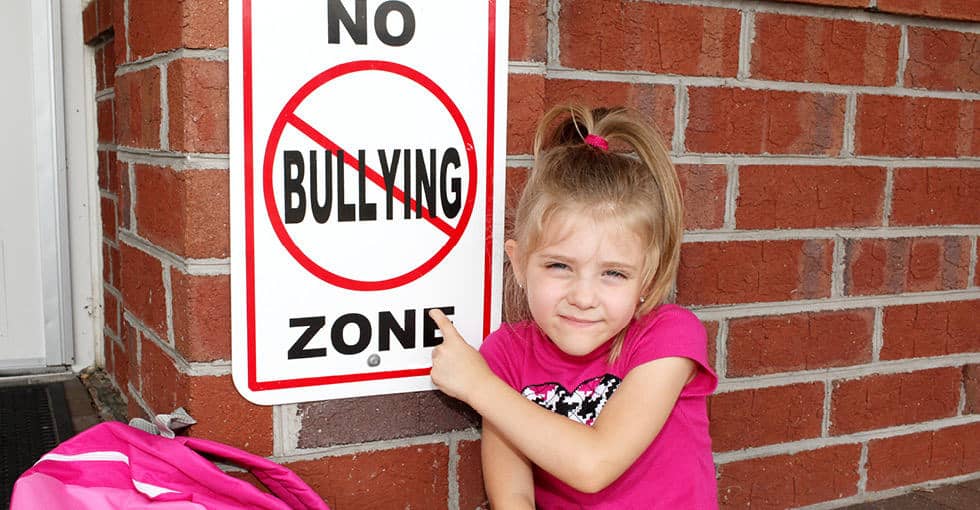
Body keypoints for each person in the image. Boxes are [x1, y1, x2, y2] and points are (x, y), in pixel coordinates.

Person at [428, 105, 718, 508]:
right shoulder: (505, 355)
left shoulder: (669, 338)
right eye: (559, 266)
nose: (583, 297)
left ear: (648, 280)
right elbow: (512, 495)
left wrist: (478, 386)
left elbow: (594, 465)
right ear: (519, 263)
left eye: (613, 273)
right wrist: (486, 382)